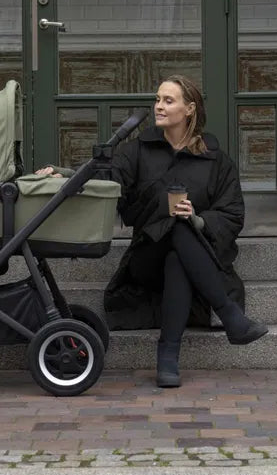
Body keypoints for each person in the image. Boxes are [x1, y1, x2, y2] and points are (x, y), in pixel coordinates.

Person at [95, 75, 267, 387]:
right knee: (174, 228)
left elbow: (232, 213)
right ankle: (230, 315)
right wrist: (63, 174)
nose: (158, 106)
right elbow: (106, 177)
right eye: (158, 99)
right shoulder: (137, 150)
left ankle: (168, 356)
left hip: (197, 258)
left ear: (189, 109)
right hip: (147, 259)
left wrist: (198, 219)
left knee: (179, 245)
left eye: (168, 101)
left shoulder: (215, 160)